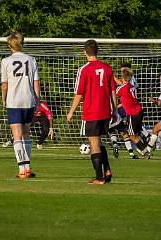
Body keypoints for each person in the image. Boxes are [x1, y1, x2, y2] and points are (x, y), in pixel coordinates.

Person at [67, 39, 117, 185]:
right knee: (99, 141)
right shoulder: (107, 68)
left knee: (94, 143)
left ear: (85, 52)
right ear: (97, 51)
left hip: (92, 111)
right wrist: (114, 110)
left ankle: (99, 177)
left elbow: (79, 93)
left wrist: (71, 111)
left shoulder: (84, 69)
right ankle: (107, 169)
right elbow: (113, 90)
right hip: (105, 111)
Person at [1, 31, 40, 179]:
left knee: (16, 135)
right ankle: (28, 167)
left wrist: (3, 99)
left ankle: (22, 170)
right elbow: (36, 84)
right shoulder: (31, 60)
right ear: (22, 44)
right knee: (25, 133)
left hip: (14, 101)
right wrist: (37, 101)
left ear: (9, 45)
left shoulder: (6, 61)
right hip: (28, 100)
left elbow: (4, 85)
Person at [116, 67, 150, 159]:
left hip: (132, 114)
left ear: (122, 78)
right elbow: (126, 100)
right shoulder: (132, 87)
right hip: (139, 111)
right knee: (135, 134)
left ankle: (145, 151)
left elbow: (114, 95)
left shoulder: (121, 88)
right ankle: (145, 140)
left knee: (131, 136)